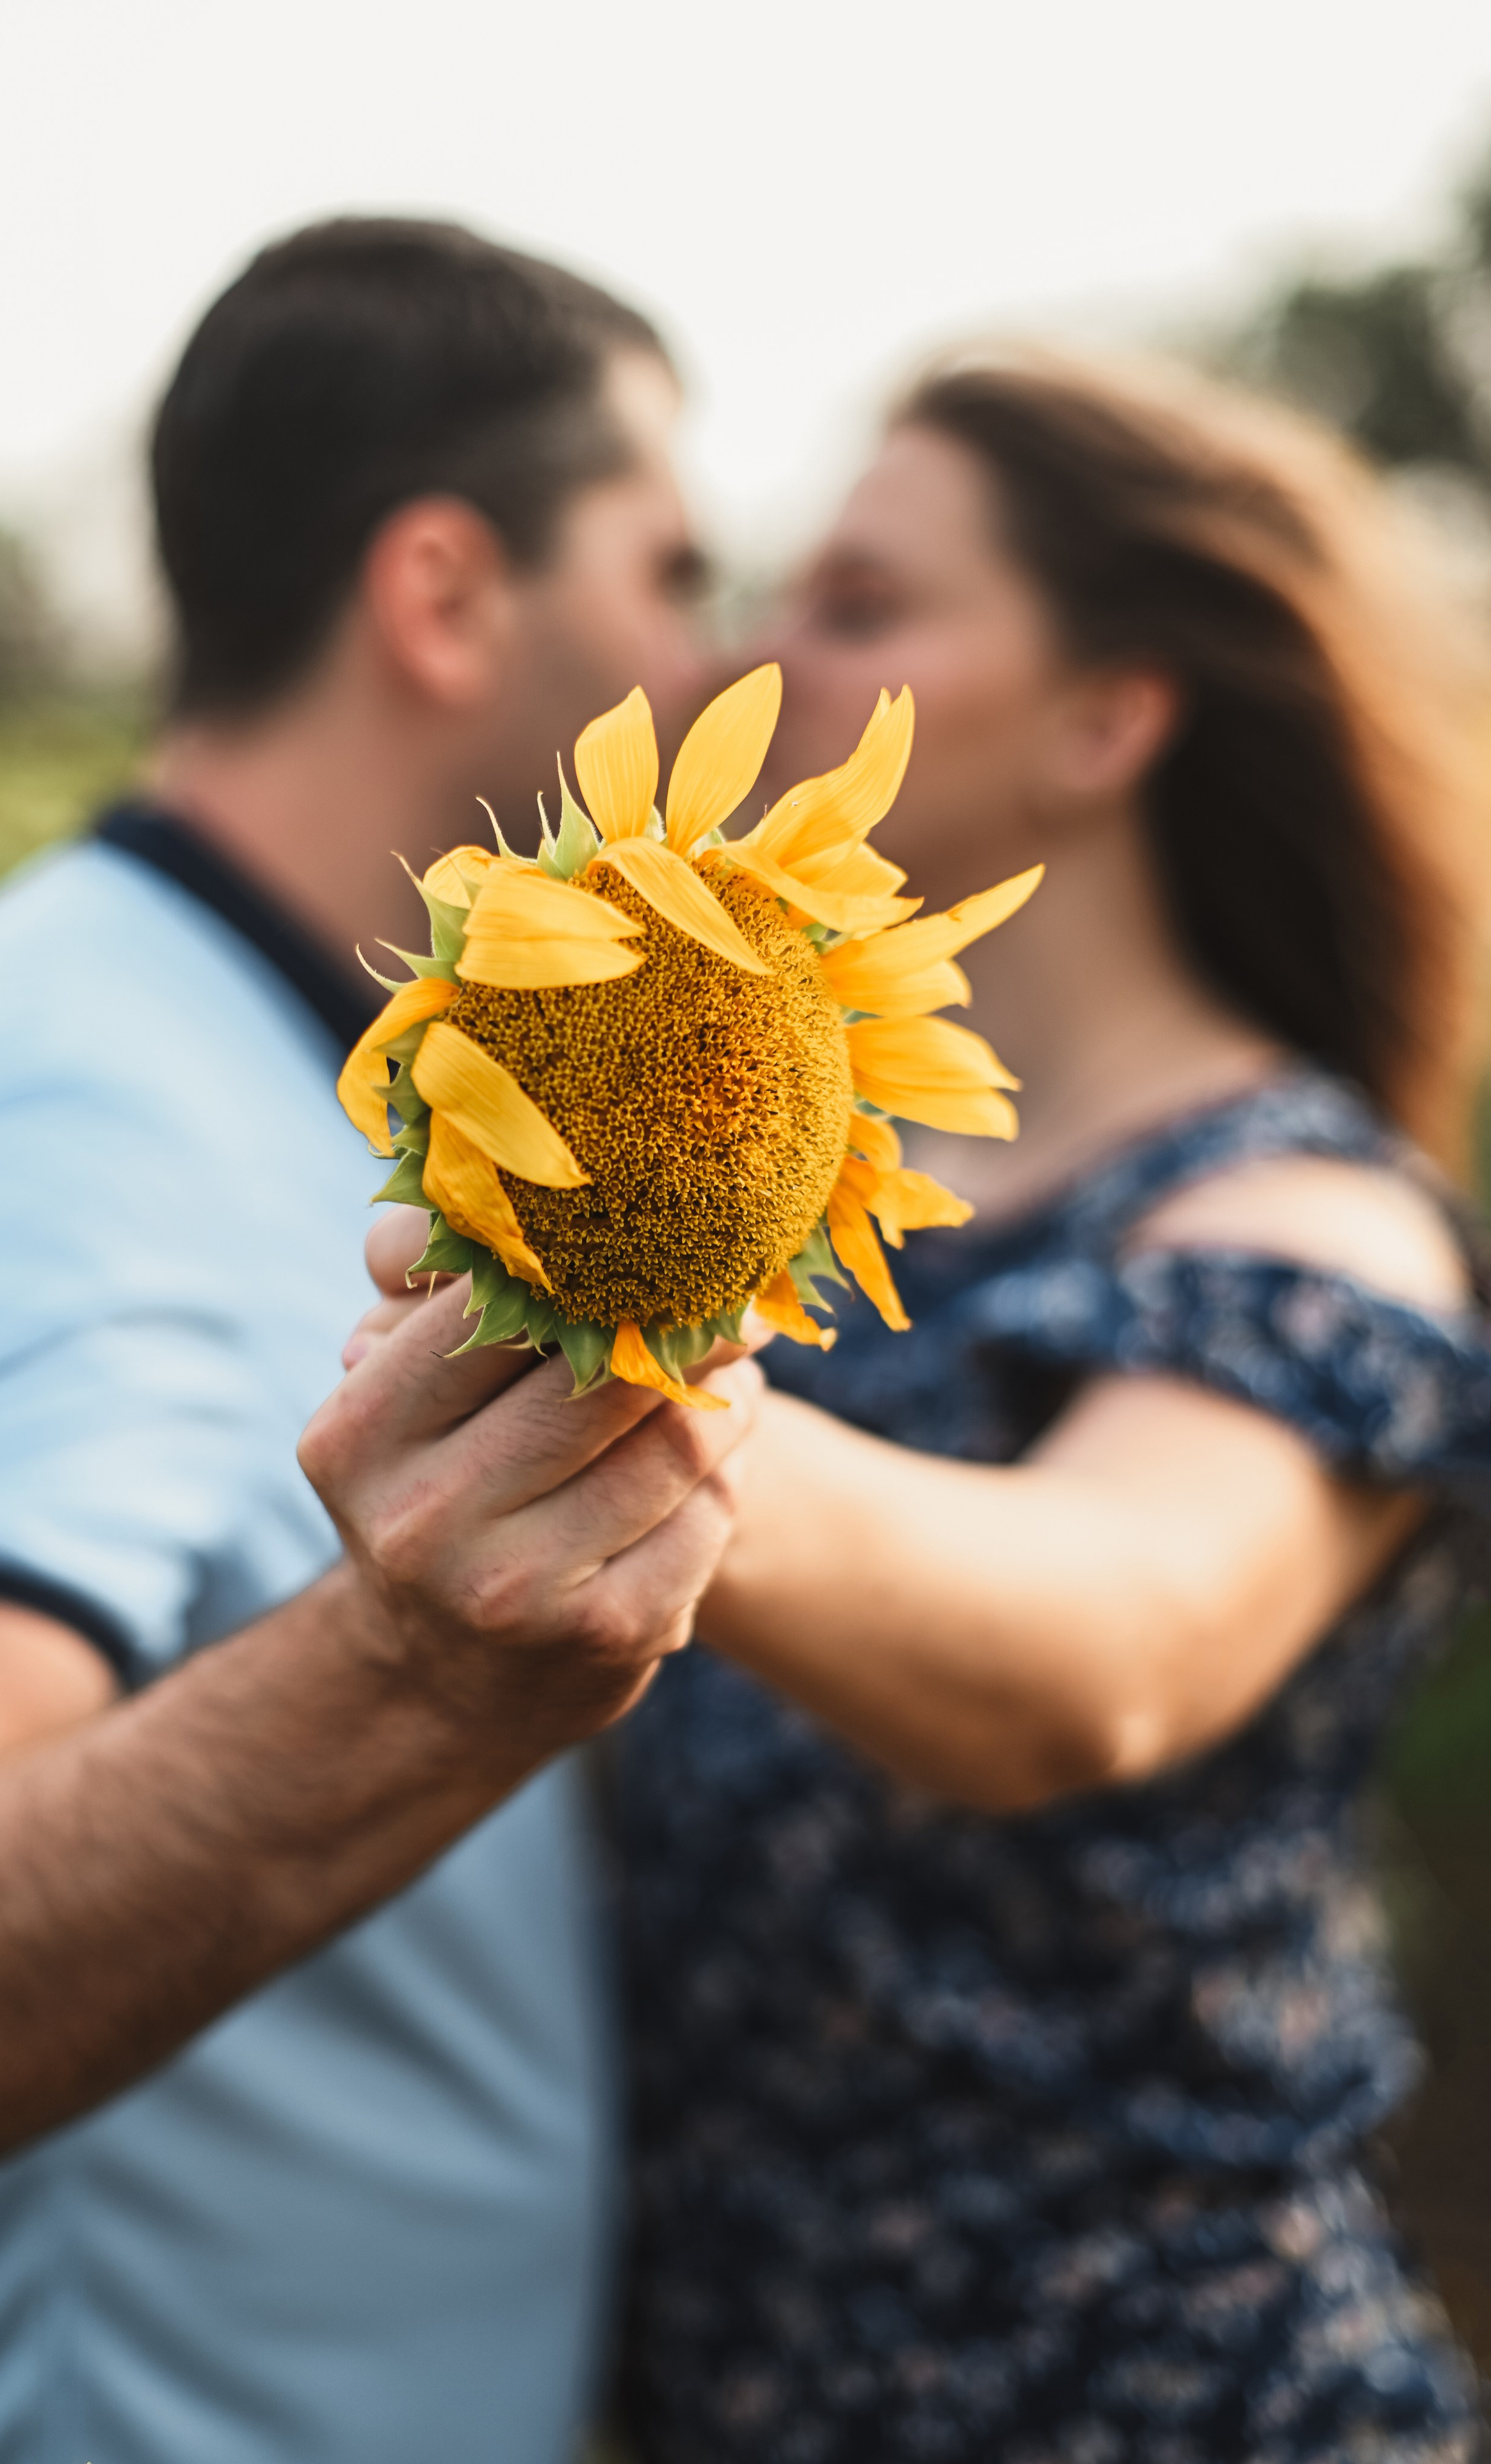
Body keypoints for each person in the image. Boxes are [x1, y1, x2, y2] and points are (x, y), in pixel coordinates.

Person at [0, 217, 762, 2463]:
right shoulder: (75, 1099)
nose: (705, 653)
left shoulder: (270, 1049)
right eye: (664, 569)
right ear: (443, 592)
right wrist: (430, 1680)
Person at [611, 353, 1491, 2458]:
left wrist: (618, 1368)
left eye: (863, 604)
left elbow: (1084, 1655)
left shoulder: (1307, 1228)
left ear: (1106, 720)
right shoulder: (804, 1201)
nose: (757, 662)